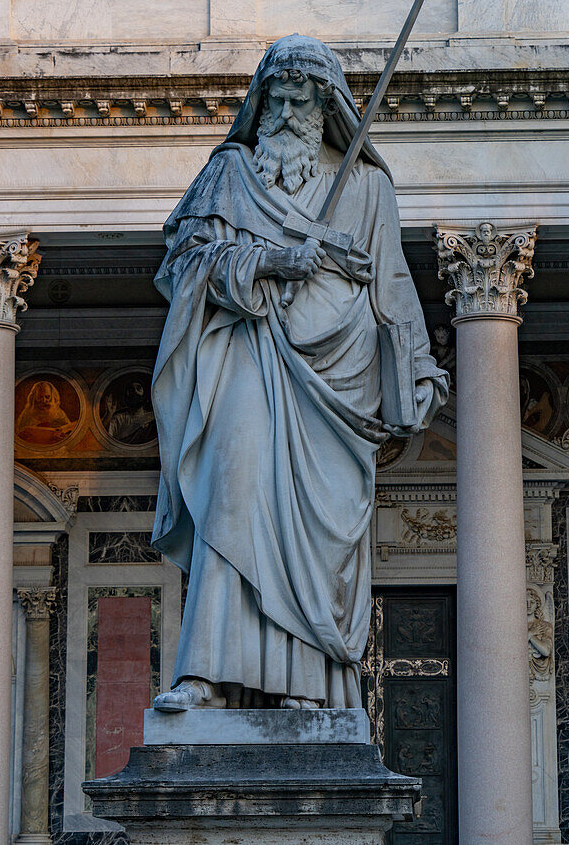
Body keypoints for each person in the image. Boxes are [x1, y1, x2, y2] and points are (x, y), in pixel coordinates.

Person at [150, 36, 449, 711]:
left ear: (326, 106)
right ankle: (201, 675)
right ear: (259, 102)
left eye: (300, 98)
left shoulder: (366, 187)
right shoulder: (229, 174)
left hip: (337, 377)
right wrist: (265, 264)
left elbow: (392, 287)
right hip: (248, 353)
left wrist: (419, 367)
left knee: (319, 536)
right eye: (275, 97)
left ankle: (307, 687)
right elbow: (183, 266)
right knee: (232, 492)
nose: (286, 111)